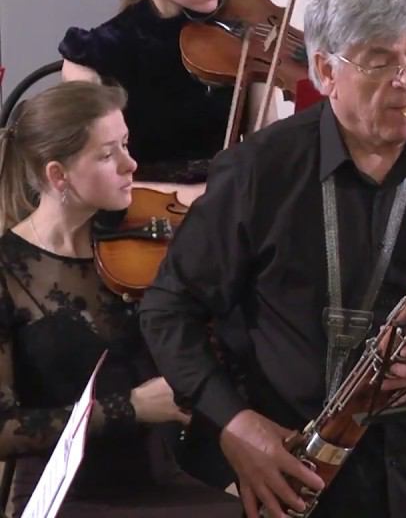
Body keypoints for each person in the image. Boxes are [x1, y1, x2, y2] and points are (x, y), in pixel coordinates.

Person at [139, 0, 406, 518]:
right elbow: (168, 310)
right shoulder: (259, 171)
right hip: (307, 476)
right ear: (325, 71)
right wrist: (235, 425)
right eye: (380, 62)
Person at [0, 81, 238, 516]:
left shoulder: (141, 246)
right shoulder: (8, 272)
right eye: (108, 154)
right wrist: (132, 408)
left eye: (125, 144)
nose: (131, 164)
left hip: (164, 477)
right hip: (69, 494)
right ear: (58, 175)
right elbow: (3, 430)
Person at [59, 0, 275, 205]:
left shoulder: (244, 36)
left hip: (231, 220)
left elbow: (268, 159)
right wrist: (198, 196)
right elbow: (87, 186)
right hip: (136, 224)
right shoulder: (93, 57)